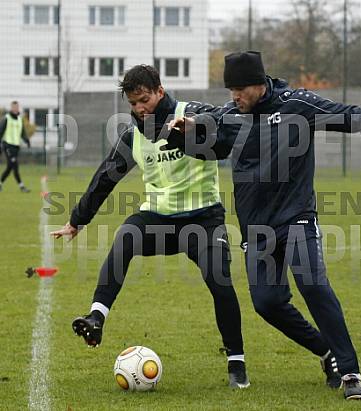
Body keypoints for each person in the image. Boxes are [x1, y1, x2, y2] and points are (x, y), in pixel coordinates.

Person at [166, 51, 361, 400]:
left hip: (296, 216)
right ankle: (326, 351)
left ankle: (350, 372)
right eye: (231, 90)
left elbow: (346, 115)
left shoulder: (296, 104)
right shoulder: (230, 117)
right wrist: (180, 137)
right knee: (267, 302)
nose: (235, 96)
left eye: (240, 89)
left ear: (259, 84)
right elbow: (211, 150)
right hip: (257, 228)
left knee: (313, 284)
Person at [50, 65, 250, 388]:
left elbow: (223, 121)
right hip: (159, 219)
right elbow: (104, 179)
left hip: (203, 220)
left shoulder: (189, 113)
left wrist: (196, 125)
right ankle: (96, 317)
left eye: (144, 100)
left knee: (219, 281)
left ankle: (236, 363)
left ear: (160, 91)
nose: (140, 108)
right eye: (133, 103)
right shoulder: (134, 137)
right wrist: (77, 221)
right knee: (126, 236)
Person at [0, 101, 31, 192]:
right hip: (7, 145)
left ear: (18, 108)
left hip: (16, 147)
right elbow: (0, 131)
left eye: (16, 107)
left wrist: (27, 140)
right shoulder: (6, 118)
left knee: (10, 167)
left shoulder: (20, 119)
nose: (15, 109)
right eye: (14, 107)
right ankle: (22, 186)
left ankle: (0, 183)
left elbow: (22, 132)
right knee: (15, 165)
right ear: (11, 108)